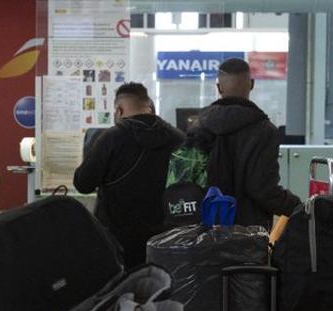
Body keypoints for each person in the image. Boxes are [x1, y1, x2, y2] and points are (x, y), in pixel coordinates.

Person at [73, 82, 183, 267]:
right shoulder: (178, 137)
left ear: (119, 110)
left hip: (118, 241)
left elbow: (83, 184)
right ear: (149, 106)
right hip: (165, 238)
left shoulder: (110, 138)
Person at [188, 58, 301, 229]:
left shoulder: (198, 127)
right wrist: (298, 207)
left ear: (219, 88)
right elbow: (263, 190)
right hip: (249, 235)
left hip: (203, 230)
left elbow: (187, 181)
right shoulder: (265, 130)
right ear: (252, 84)